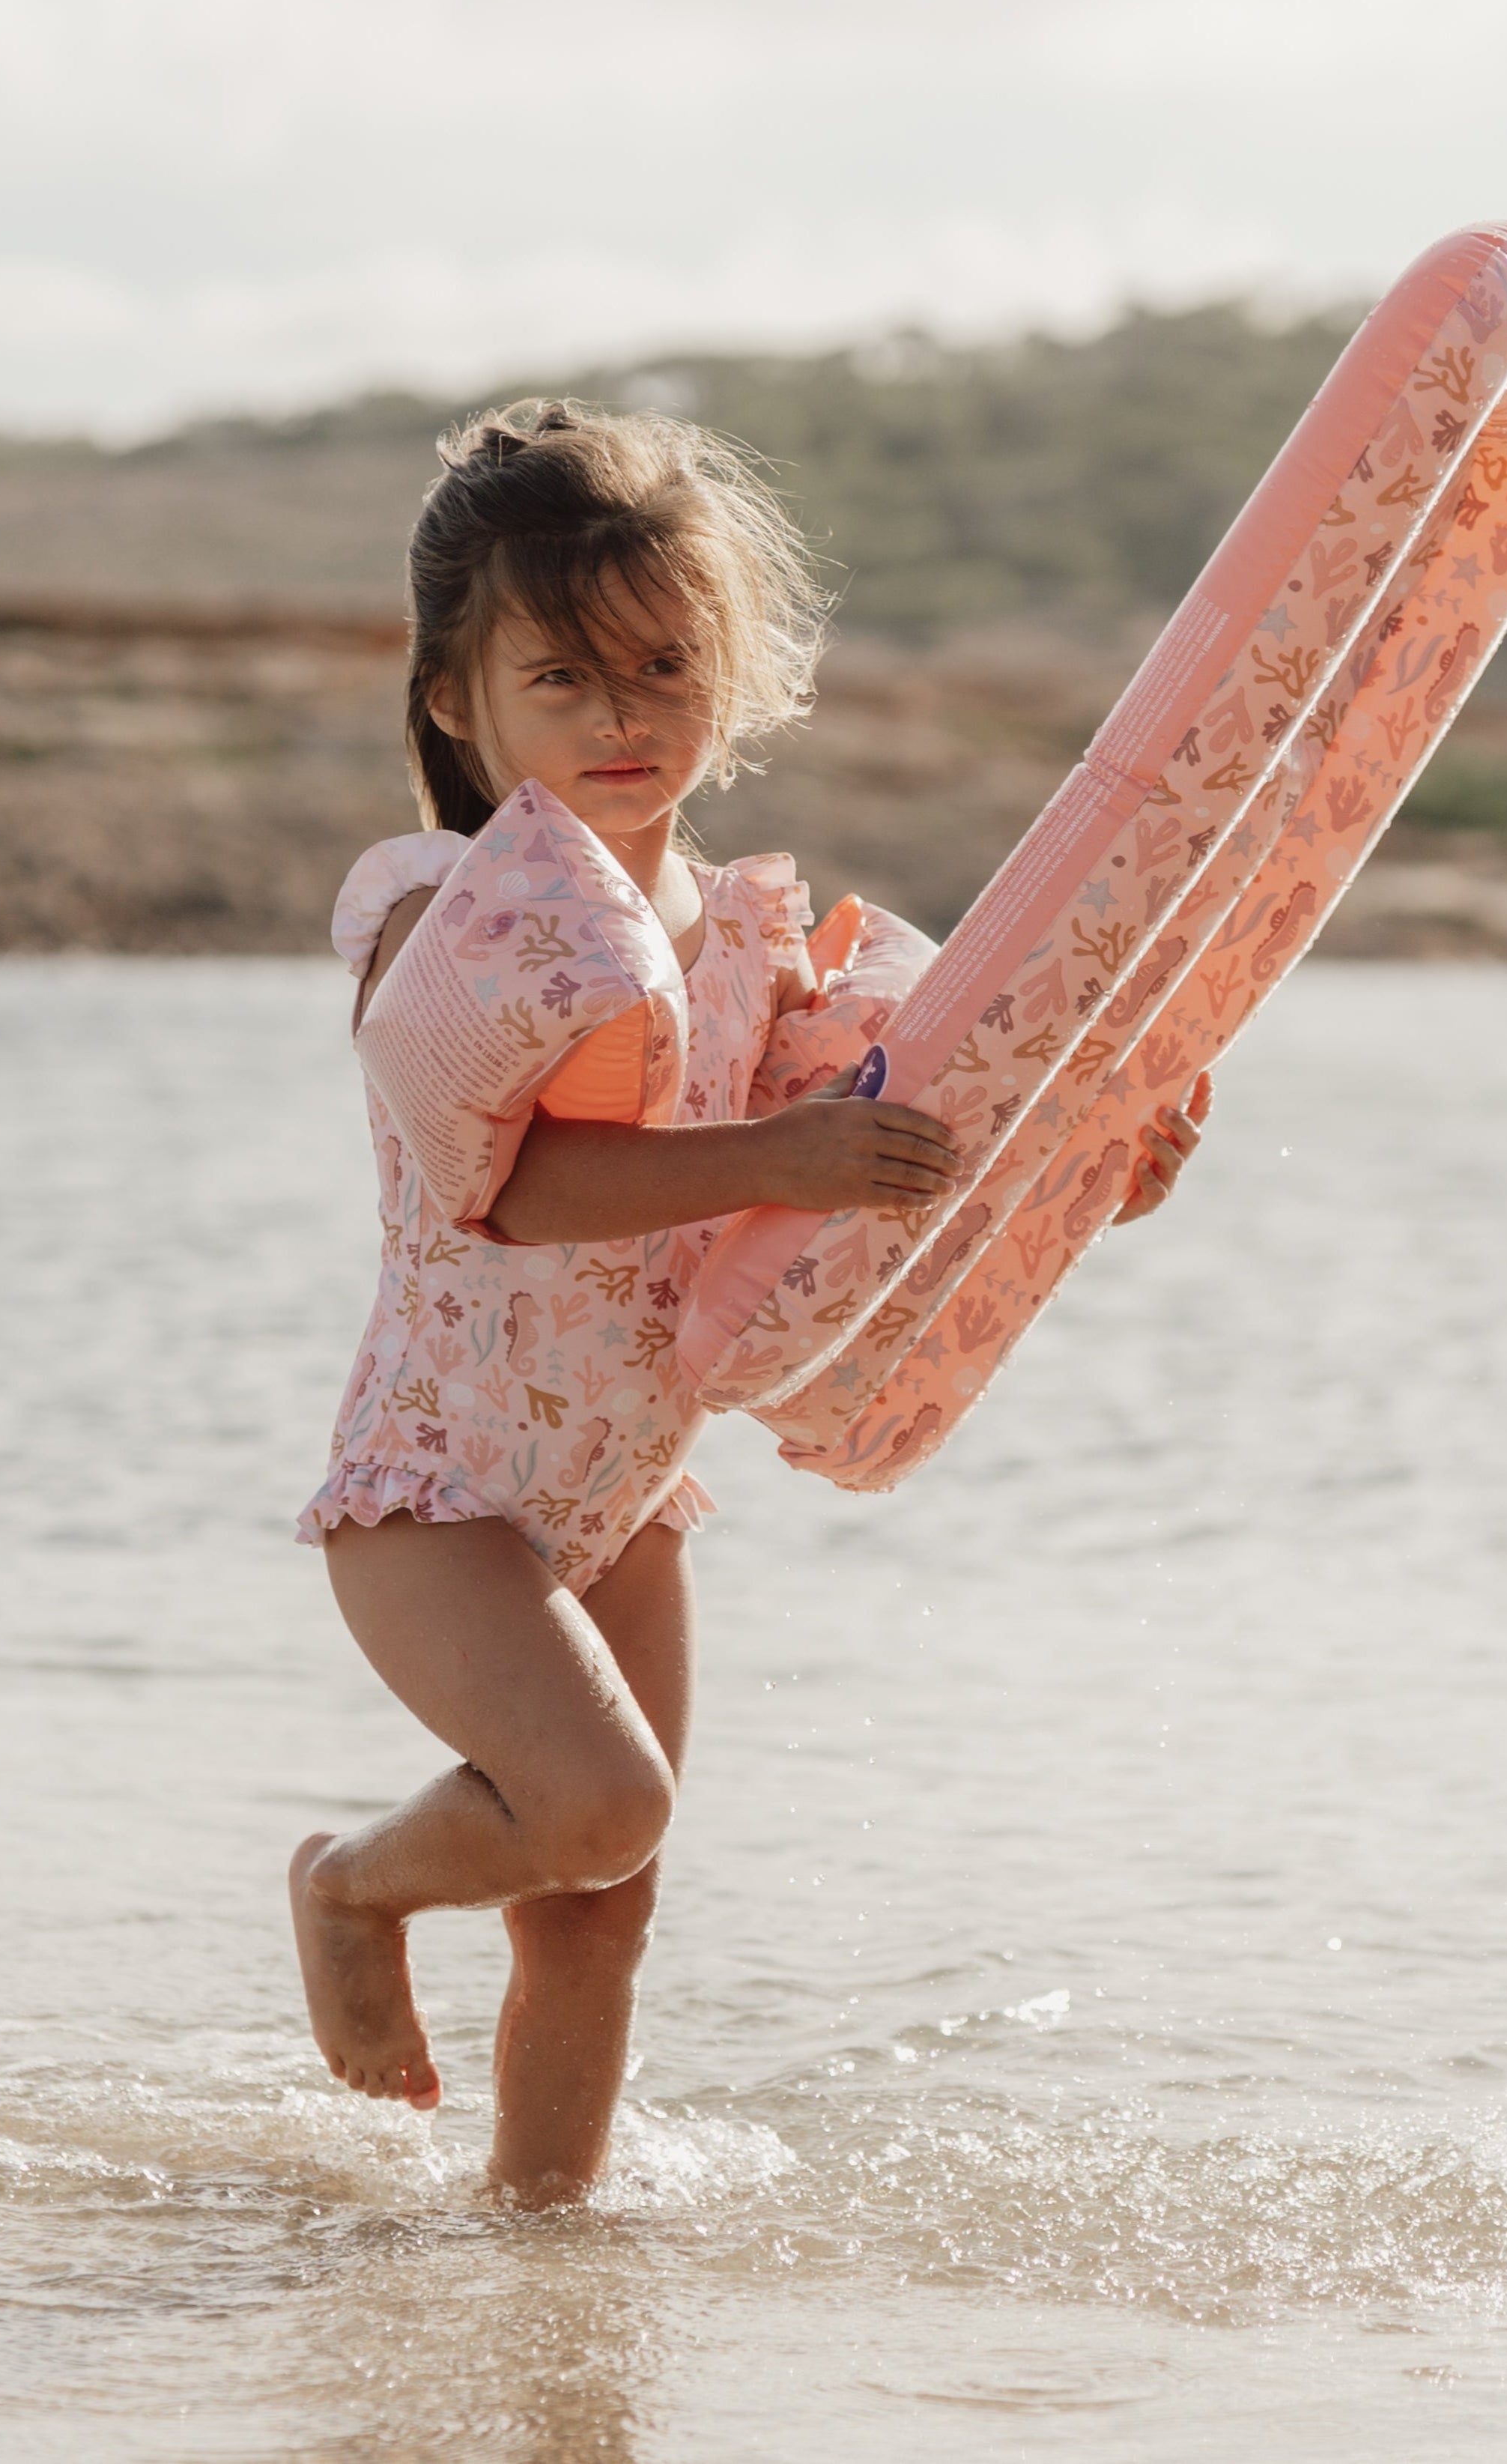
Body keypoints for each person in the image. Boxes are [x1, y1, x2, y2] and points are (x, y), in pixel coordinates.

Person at [289, 399, 1210, 2206]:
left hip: (628, 1485)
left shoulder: (749, 940)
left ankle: (540, 2255)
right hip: (439, 1487)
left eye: (663, 666)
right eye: (561, 679)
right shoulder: (439, 909)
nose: (620, 715)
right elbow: (510, 1192)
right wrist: (776, 1156)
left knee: (602, 1912)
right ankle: (349, 1888)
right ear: (457, 702)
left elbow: (887, 1179)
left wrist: (1093, 1169)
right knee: (598, 1807)